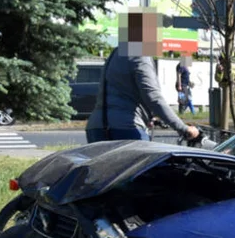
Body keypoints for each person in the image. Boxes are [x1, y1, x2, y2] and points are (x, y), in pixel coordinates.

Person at [86, 9, 203, 145]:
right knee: (147, 165)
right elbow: (153, 97)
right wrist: (183, 128)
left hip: (97, 127)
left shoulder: (116, 53)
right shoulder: (139, 54)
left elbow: (118, 93)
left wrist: (148, 116)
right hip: (126, 127)